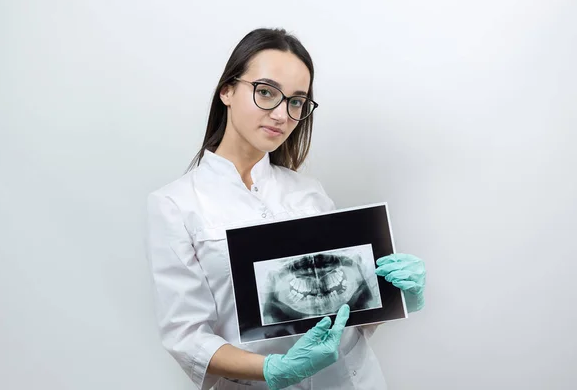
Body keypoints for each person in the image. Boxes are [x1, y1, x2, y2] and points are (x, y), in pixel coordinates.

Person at [145, 28, 427, 390]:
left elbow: (346, 315)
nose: (282, 114)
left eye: (296, 101)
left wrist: (391, 296)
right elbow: (186, 336)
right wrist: (272, 369)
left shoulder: (309, 193)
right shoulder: (175, 205)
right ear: (227, 90)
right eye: (266, 92)